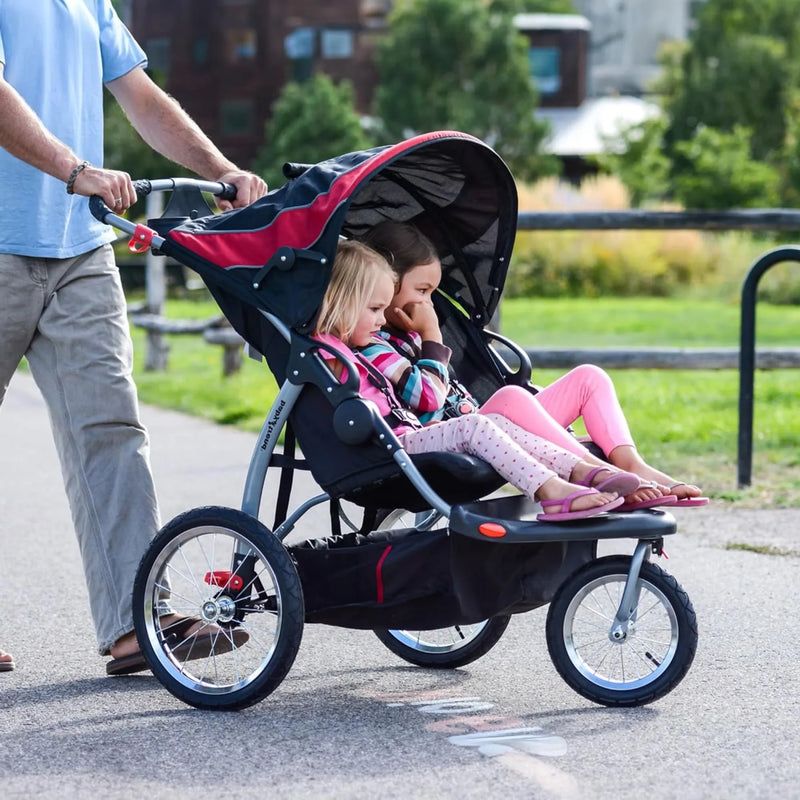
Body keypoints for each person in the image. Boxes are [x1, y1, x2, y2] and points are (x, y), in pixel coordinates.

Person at [0, 0, 267, 674]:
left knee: (112, 431)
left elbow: (142, 97)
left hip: (79, 249)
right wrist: (73, 168)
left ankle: (135, 620)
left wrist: (218, 170)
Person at [359, 220, 709, 510]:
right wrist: (431, 336)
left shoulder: (412, 335)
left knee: (590, 377)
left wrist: (424, 335)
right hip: (466, 429)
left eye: (433, 293)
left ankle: (631, 465)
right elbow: (430, 402)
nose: (429, 304)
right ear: (384, 284)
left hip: (499, 426)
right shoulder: (379, 346)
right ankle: (600, 474)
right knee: (512, 396)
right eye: (421, 291)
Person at [313, 240, 649, 522]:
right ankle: (553, 490)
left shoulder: (366, 346)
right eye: (374, 309)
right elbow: (426, 395)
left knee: (497, 421)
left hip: (411, 437)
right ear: (341, 303)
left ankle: (579, 471)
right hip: (393, 449)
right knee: (476, 425)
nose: (379, 320)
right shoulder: (329, 350)